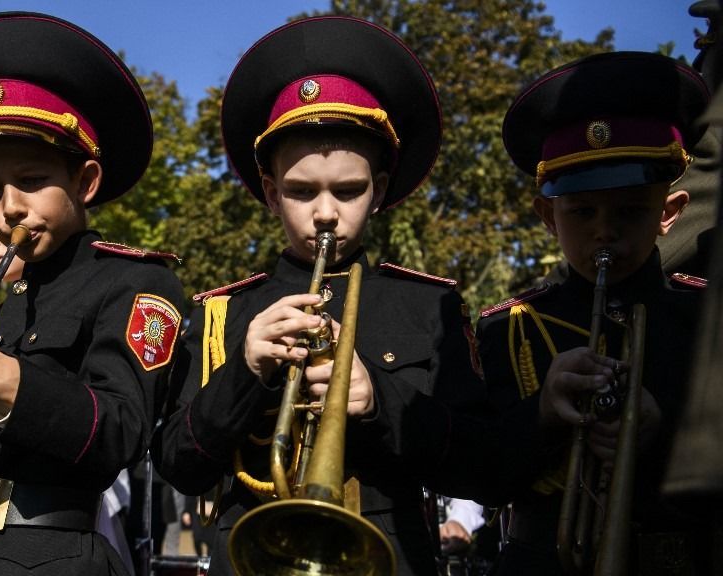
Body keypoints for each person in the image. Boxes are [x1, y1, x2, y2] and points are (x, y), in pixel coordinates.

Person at [151, 16, 486, 576]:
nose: (326, 213)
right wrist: (244, 371)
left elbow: (484, 468)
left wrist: (381, 399)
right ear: (270, 192)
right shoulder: (221, 314)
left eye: (349, 190)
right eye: (302, 191)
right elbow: (175, 465)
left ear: (378, 191)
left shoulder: (429, 306)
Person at [0, 12, 185, 576]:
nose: (9, 207)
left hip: (49, 556)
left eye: (32, 179)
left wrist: (6, 383)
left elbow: (124, 431)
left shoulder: (136, 282)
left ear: (85, 181)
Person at [477, 51, 712, 575]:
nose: (605, 231)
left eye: (631, 211)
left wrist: (665, 434)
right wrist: (541, 413)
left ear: (669, 214)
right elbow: (476, 474)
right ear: (547, 216)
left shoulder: (704, 316)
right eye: (581, 212)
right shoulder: (506, 327)